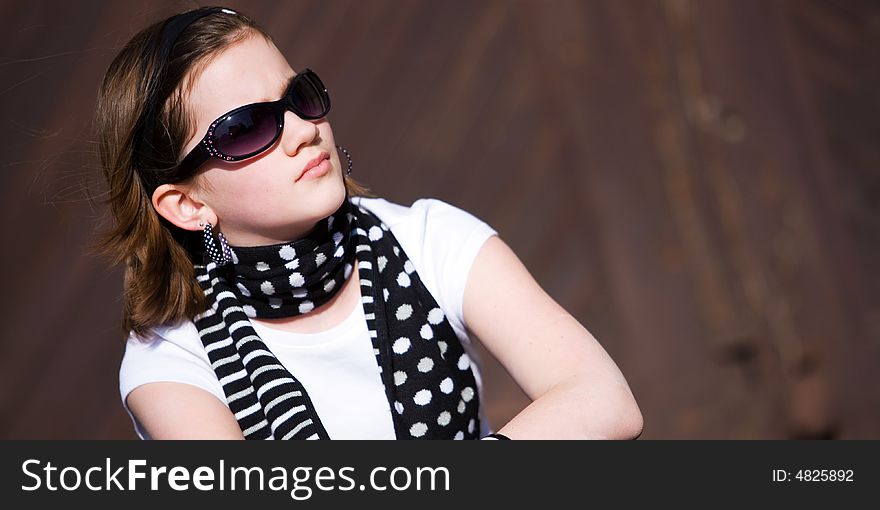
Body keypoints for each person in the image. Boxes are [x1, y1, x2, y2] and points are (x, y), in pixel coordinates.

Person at [94, 6, 643, 440]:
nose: (302, 130)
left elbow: (603, 399)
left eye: (299, 97)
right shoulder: (172, 362)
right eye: (246, 128)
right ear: (186, 205)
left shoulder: (430, 240)